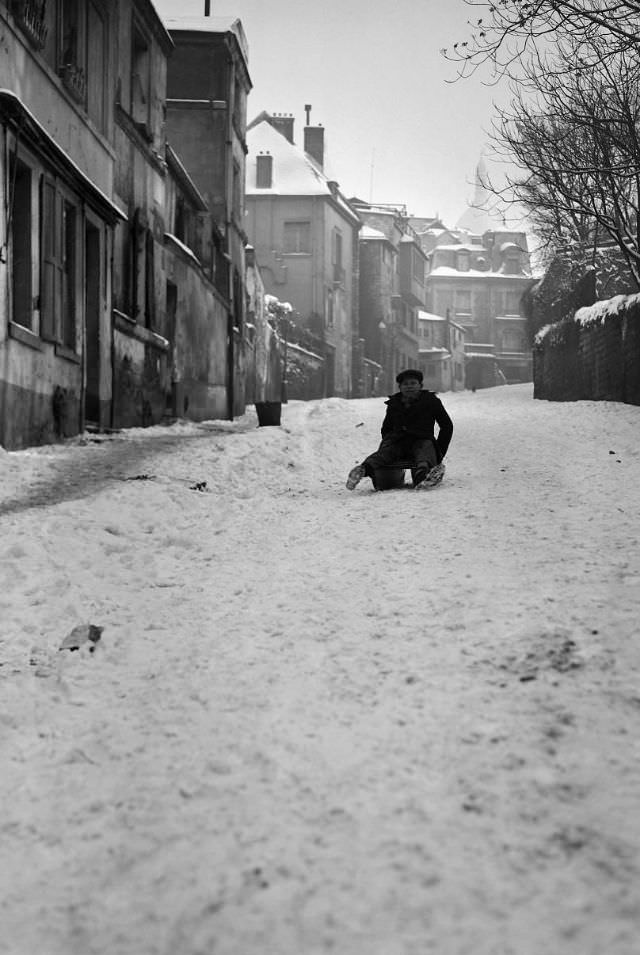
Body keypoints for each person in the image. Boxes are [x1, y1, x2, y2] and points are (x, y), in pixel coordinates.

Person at [346, 369, 453, 490]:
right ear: (400, 387)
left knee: (424, 452)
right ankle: (363, 469)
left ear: (420, 386)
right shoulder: (394, 404)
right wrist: (387, 442)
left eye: (413, 383)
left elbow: (447, 426)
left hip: (421, 440)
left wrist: (439, 452)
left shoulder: (431, 401)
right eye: (405, 384)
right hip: (398, 441)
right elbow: (386, 427)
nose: (409, 387)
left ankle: (423, 475)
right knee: (384, 454)